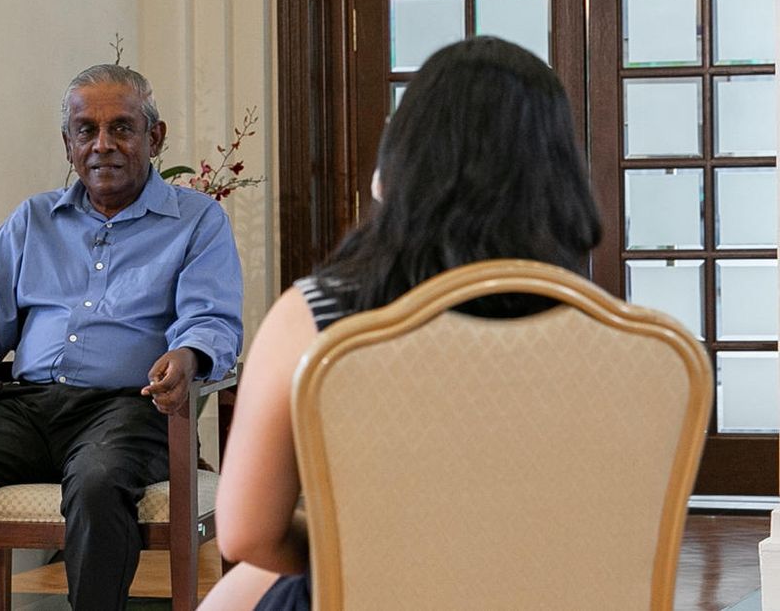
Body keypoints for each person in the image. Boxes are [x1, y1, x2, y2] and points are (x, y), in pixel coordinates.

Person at [201, 36, 602, 609]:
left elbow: (246, 532)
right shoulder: (614, 340)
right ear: (561, 172)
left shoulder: (316, 317)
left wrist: (360, 554)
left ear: (400, 161)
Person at [0, 64, 244, 611]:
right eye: (87, 131)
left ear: (155, 137)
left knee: (100, 483)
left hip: (128, 411)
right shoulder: (33, 220)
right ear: (68, 143)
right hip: (25, 410)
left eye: (122, 128)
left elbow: (213, 319)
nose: (103, 145)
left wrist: (188, 353)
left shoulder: (196, 221)